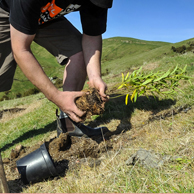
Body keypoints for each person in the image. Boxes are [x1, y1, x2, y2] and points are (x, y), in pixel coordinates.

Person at [0, 0, 113, 137]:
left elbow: (92, 35)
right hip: (6, 12)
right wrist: (56, 96)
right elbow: (21, 49)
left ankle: (69, 127)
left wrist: (95, 76)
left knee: (79, 51)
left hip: (43, 15)